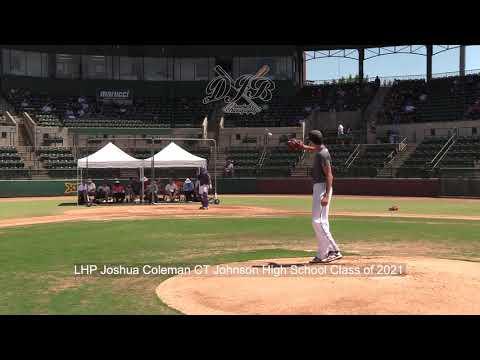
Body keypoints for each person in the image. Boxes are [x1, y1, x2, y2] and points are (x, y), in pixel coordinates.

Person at [296, 130, 342, 263]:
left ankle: (334, 250)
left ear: (311, 140)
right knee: (322, 222)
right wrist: (303, 147)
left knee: (318, 221)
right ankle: (323, 254)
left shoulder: (322, 154)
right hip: (320, 187)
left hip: (322, 188)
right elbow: (316, 149)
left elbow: (329, 175)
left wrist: (326, 195)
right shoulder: (321, 150)